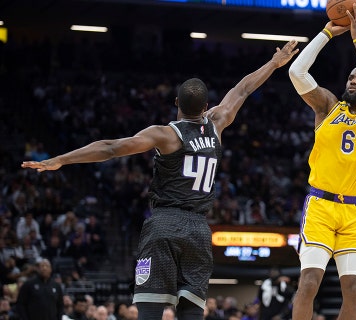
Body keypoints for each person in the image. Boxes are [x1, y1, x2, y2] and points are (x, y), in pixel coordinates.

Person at [22, 40, 300, 320]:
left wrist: (60, 159)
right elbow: (243, 88)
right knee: (191, 311)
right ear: (206, 106)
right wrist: (274, 63)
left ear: (177, 103)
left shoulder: (166, 135)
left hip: (165, 224)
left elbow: (111, 148)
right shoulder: (217, 122)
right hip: (200, 230)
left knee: (151, 309)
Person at [287, 2, 356, 319]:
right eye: (350, 77)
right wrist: (326, 33)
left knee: (354, 291)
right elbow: (297, 72)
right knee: (308, 282)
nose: (353, 80)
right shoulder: (327, 107)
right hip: (321, 206)